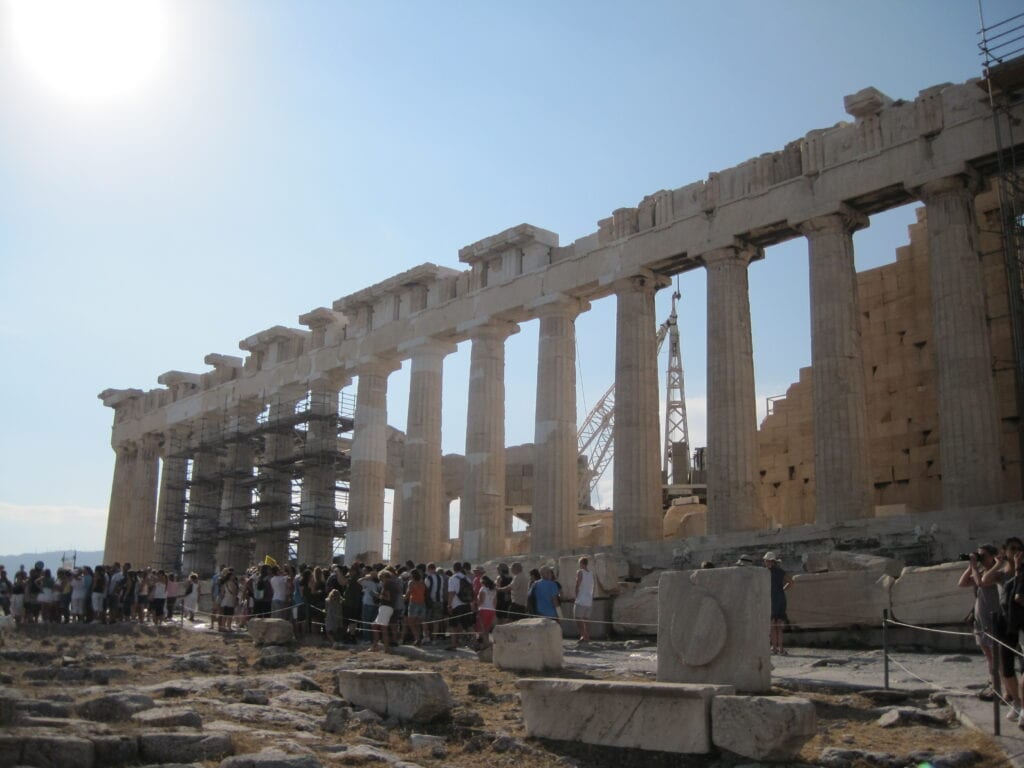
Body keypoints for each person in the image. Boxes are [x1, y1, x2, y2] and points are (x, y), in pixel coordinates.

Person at [958, 544, 1001, 699]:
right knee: (989, 656)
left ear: (993, 556)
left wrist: (975, 567)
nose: (981, 558)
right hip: (981, 620)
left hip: (992, 619)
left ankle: (1002, 690)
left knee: (998, 658)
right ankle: (995, 687)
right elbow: (962, 583)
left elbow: (981, 582)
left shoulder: (997, 573)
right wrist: (972, 566)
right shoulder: (981, 572)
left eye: (983, 555)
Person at [763, 552, 792, 655]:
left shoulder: (765, 572)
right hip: (780, 598)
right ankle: (780, 649)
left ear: (769, 561)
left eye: (766, 561)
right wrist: (782, 590)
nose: (765, 562)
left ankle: (774, 648)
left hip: (771, 599)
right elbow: (791, 582)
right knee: (779, 626)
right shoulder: (780, 571)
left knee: (772, 626)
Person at [446, 562, 475, 650]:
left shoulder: (452, 578)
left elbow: (451, 593)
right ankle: (475, 643)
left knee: (453, 626)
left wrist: (449, 605)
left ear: (454, 569)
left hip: (456, 605)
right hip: (466, 604)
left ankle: (454, 644)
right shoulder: (467, 578)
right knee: (468, 625)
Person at [370, 569, 397, 652]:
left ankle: (385, 648)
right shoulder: (392, 583)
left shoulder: (387, 584)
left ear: (383, 577)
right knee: (374, 625)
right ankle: (376, 645)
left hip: (386, 607)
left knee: (383, 628)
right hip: (387, 607)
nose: (381, 580)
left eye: (381, 578)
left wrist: (377, 595)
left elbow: (388, 598)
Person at [423, 562, 446, 645]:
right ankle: (434, 639)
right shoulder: (441, 577)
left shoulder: (428, 578)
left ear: (429, 569)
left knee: (426, 620)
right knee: (436, 621)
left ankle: (427, 637)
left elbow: (426, 590)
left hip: (430, 602)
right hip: (439, 601)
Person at [574, 557, 595, 644]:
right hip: (588, 600)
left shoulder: (580, 572)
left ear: (581, 563)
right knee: (586, 620)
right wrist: (591, 597)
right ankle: (586, 636)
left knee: (578, 618)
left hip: (581, 599)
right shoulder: (591, 573)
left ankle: (583, 636)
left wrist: (576, 595)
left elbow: (577, 584)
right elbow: (594, 587)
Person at [404, 569, 427, 646]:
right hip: (422, 603)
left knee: (411, 623)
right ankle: (418, 638)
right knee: (417, 623)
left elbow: (408, 594)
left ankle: (417, 639)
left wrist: (403, 597)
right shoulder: (422, 583)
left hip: (414, 603)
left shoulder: (411, 583)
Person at [476, 575, 497, 648]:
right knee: (487, 630)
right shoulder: (493, 590)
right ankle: (488, 644)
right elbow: (495, 602)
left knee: (482, 629)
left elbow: (481, 601)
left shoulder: (483, 589)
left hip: (483, 610)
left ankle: (486, 645)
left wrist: (476, 607)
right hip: (492, 611)